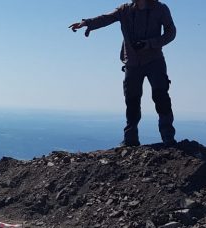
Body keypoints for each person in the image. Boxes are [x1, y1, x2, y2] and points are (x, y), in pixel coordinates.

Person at [69, 0, 177, 147]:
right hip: (132, 62)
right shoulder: (125, 10)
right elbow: (106, 18)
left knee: (161, 96)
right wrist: (87, 23)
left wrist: (150, 43)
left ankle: (168, 138)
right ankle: (130, 139)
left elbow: (171, 32)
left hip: (154, 60)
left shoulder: (160, 9)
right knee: (132, 100)